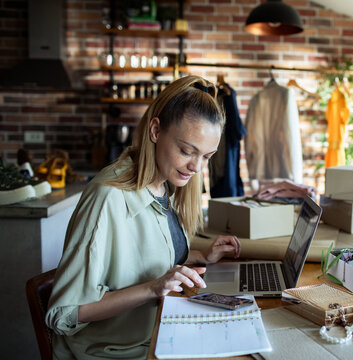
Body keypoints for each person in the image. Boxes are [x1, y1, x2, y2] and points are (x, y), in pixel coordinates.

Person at [45, 75, 241, 359]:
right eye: (187, 151)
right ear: (155, 130)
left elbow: (151, 258)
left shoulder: (165, 185)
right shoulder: (107, 197)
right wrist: (153, 288)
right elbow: (64, 314)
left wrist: (200, 256)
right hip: (115, 352)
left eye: (207, 156)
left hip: (159, 335)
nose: (196, 166)